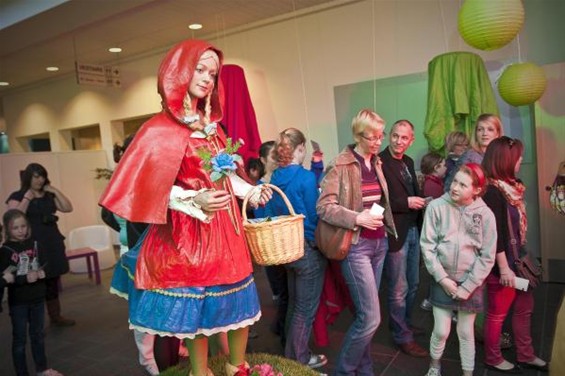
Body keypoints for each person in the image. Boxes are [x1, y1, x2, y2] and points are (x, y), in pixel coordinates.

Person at [99, 39, 270, 376]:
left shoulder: (214, 130)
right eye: (200, 69)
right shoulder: (157, 130)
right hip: (188, 234)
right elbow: (148, 189)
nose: (208, 78)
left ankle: (238, 366)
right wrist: (195, 199)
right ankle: (199, 370)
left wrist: (249, 192)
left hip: (226, 230)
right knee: (198, 308)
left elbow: (224, 176)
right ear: (178, 72)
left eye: (213, 73)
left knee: (237, 298)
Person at [317, 109, 397, 375]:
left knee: (367, 317)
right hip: (356, 246)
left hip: (379, 243)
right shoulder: (340, 163)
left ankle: (365, 370)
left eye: (380, 136)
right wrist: (357, 218)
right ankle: (345, 371)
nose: (378, 142)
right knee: (371, 317)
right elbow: (324, 207)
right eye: (371, 137)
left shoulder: (376, 162)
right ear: (357, 135)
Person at [420, 163, 497, 376]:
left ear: (476, 190)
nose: (455, 187)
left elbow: (487, 256)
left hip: (470, 282)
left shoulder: (485, 215)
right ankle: (434, 365)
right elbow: (427, 247)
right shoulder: (436, 207)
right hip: (442, 277)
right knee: (441, 330)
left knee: (465, 332)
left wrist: (469, 286)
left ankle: (467, 372)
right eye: (454, 181)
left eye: (463, 185)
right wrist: (443, 279)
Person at [482, 137, 549, 373]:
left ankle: (525, 354)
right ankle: (492, 357)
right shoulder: (492, 192)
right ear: (506, 161)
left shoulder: (512, 187)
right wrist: (504, 269)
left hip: (515, 262)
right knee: (498, 313)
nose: (521, 160)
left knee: (525, 305)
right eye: (518, 157)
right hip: (502, 265)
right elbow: (495, 235)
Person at [264, 128, 328, 370]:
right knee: (305, 309)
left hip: (286, 248)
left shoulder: (274, 177)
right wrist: (317, 243)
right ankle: (298, 359)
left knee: (293, 304)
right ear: (300, 148)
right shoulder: (305, 177)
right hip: (307, 249)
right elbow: (313, 216)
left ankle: (290, 352)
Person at [378, 119, 428, 357]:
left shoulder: (407, 161)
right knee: (398, 288)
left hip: (413, 228)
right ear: (389, 135)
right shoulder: (380, 161)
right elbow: (377, 201)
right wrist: (405, 203)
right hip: (394, 232)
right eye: (395, 136)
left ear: (412, 140)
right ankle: (401, 336)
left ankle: (404, 324)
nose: (399, 141)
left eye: (404, 138)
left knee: (414, 282)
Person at [6, 163, 75, 327]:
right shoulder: (18, 195)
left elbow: (68, 208)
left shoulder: (48, 195)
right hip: (30, 244)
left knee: (52, 279)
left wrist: (55, 191)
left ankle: (56, 316)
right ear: (28, 177)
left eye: (42, 176)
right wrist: (28, 198)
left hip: (51, 241)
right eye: (35, 176)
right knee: (32, 282)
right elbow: (14, 217)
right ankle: (34, 323)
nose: (39, 180)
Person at [0, 209, 63, 376]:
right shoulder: (5, 250)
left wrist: (43, 273)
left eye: (23, 226)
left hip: (37, 298)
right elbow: (5, 277)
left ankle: (42, 369)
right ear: (8, 229)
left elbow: (45, 264)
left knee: (38, 336)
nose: (21, 230)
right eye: (16, 228)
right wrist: (23, 278)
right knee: (20, 340)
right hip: (19, 302)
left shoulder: (35, 244)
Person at [444, 114, 503, 191]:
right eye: (480, 129)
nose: (484, 133)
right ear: (475, 133)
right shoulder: (469, 156)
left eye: (490, 129)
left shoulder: (501, 156)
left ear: (497, 133)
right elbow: (450, 187)